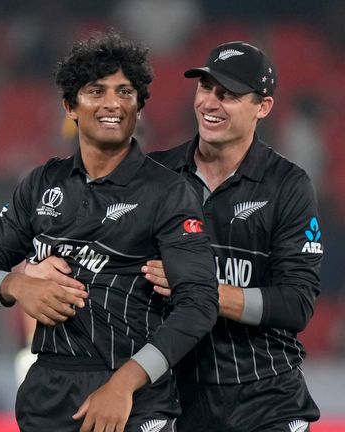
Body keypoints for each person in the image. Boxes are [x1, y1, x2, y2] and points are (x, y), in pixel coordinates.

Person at [0, 31, 219, 432]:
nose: (112, 103)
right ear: (70, 106)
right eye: (96, 91)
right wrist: (18, 285)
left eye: (126, 92)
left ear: (139, 106)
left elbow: (200, 304)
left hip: (135, 397)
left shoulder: (168, 193)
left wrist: (124, 384)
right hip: (47, 394)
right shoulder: (41, 183)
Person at [145, 41, 321, 432]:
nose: (210, 102)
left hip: (267, 395)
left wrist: (199, 289)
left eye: (228, 95)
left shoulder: (288, 186)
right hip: (174, 394)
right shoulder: (154, 174)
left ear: (263, 107)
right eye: (205, 88)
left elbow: (296, 303)